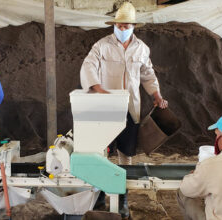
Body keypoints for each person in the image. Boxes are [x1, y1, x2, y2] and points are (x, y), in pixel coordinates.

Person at [80, 2, 168, 218]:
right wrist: (98, 89)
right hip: (106, 107)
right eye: (118, 25)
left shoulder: (141, 48)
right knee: (102, 153)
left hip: (130, 107)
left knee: (126, 154)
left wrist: (156, 95)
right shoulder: (101, 46)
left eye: (125, 26)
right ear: (114, 25)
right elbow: (88, 66)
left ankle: (122, 197)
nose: (121, 29)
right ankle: (100, 194)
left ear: (133, 26)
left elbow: (148, 74)